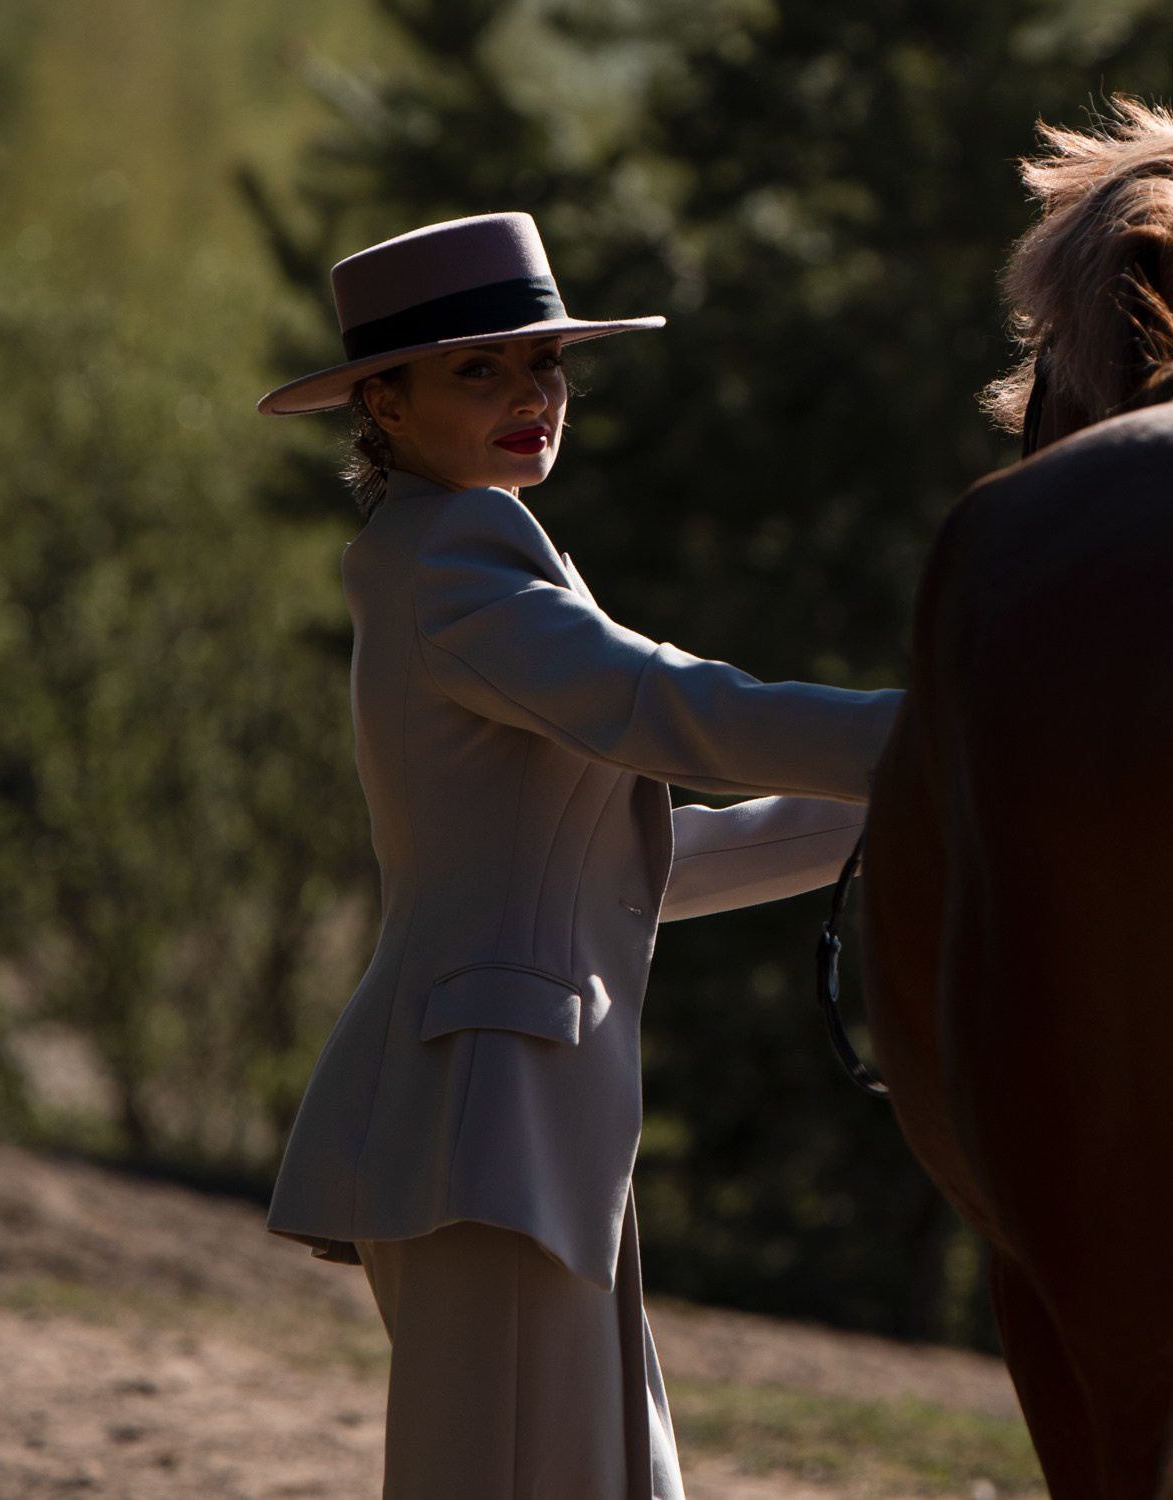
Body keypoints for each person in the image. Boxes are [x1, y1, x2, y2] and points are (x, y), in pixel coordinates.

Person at [256, 212, 902, 1500]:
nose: (530, 397)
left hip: (525, 1122)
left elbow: (632, 862)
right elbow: (675, 710)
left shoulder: (469, 554)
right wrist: (951, 737)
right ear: (380, 404)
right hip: (486, 1122)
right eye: (479, 369)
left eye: (543, 364)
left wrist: (927, 797)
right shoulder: (455, 560)